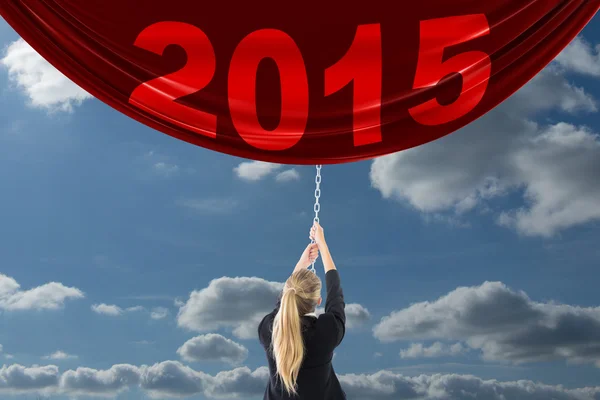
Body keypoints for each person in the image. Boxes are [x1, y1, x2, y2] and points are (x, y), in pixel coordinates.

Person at [258, 222, 346, 400]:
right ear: (318, 301)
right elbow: (336, 296)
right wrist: (322, 244)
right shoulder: (326, 330)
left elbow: (284, 304)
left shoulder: (269, 329)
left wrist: (301, 264)